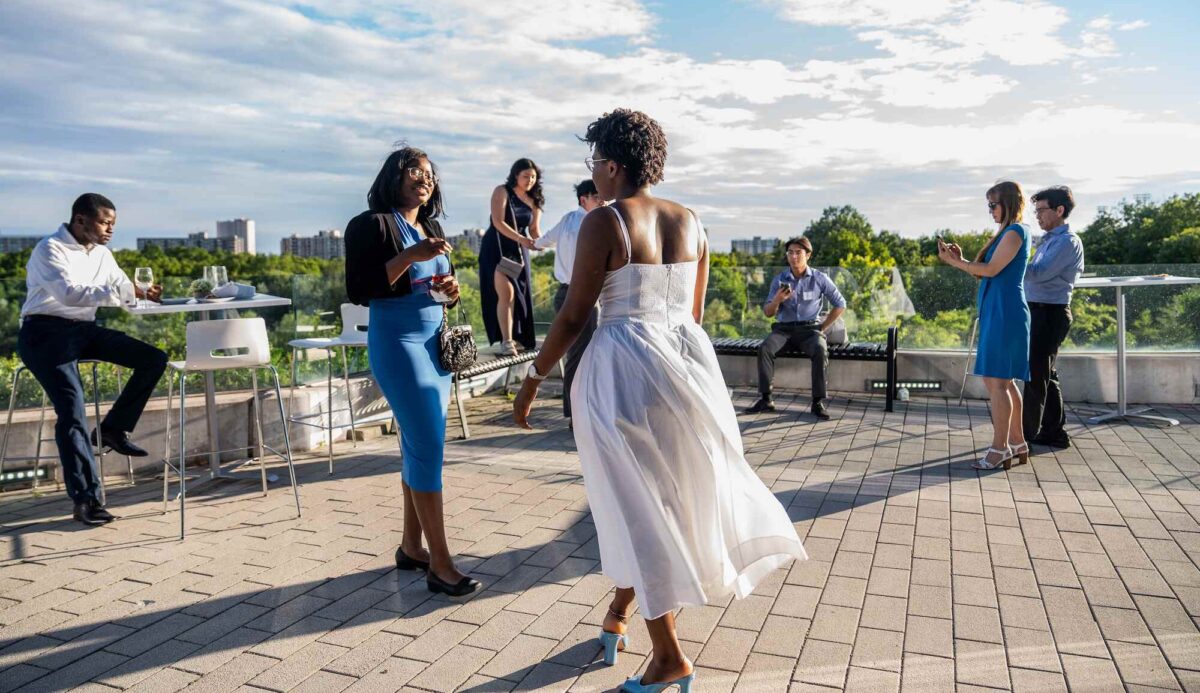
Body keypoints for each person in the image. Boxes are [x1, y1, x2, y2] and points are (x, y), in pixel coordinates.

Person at [513, 109, 806, 693]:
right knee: (663, 500)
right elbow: (692, 315)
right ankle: (619, 615)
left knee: (633, 509)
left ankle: (668, 655)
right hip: (687, 366)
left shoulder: (607, 222)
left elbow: (575, 315)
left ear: (613, 165)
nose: (592, 172)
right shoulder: (692, 221)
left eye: (594, 161)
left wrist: (533, 379)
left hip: (623, 368)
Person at [344, 146, 480, 597]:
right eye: (414, 171)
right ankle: (441, 566)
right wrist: (412, 256)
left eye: (430, 174)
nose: (424, 179)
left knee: (418, 448)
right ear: (393, 177)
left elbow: (441, 290)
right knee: (428, 447)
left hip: (433, 346)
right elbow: (361, 288)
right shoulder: (371, 224)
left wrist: (451, 289)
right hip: (398, 343)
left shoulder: (432, 227)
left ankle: (410, 547)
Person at [18, 193, 167, 527]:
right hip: (43, 333)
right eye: (104, 222)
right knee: (71, 411)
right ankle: (87, 500)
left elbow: (122, 289)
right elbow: (69, 294)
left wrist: (141, 293)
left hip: (84, 330)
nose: (110, 229)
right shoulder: (49, 249)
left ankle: (113, 429)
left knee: (153, 358)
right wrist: (129, 293)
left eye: (113, 223)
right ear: (80, 219)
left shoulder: (103, 253)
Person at [938, 181, 1032, 470]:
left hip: (1006, 313)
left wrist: (956, 264)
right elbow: (988, 272)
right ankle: (1018, 443)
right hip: (998, 311)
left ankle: (1000, 447)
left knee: (997, 382)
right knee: (1002, 381)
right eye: (988, 205)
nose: (990, 210)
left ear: (1009, 203)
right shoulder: (1007, 233)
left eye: (994, 204)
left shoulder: (1016, 231)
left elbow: (991, 270)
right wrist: (962, 259)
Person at [745, 236, 846, 420]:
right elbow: (768, 312)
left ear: (808, 255)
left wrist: (822, 327)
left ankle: (817, 402)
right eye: (790, 252)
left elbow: (840, 304)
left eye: (798, 253)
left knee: (820, 349)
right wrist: (777, 300)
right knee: (765, 349)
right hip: (783, 330)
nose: (793, 256)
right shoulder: (779, 280)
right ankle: (766, 399)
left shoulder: (819, 278)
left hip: (810, 331)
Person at [534, 179, 606, 419]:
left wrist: (531, 231)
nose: (602, 200)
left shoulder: (566, 220)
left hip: (563, 294)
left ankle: (575, 412)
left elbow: (540, 242)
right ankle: (579, 414)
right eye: (596, 197)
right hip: (583, 294)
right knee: (582, 355)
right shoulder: (592, 224)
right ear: (582, 199)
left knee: (574, 354)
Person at [1024, 186, 1084, 450]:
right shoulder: (1050, 239)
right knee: (1045, 373)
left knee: (1036, 376)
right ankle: (1053, 431)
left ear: (1059, 210)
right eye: (1035, 211)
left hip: (1050, 313)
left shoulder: (1067, 242)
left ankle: (1026, 435)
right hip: (1039, 310)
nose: (1037, 216)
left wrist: (1004, 265)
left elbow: (1039, 274)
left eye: (1041, 210)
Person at [479, 158, 543, 356]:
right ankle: (507, 341)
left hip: (519, 252)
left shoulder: (535, 200)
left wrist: (546, 243)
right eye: (526, 176)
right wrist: (522, 239)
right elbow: (498, 222)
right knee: (507, 293)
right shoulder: (502, 191)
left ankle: (520, 338)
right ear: (516, 175)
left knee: (520, 296)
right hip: (497, 247)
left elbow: (534, 230)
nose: (530, 180)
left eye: (533, 177)